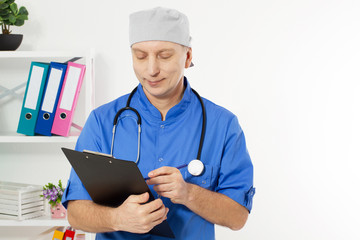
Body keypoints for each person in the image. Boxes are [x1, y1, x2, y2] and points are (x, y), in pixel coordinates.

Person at [62, 7, 255, 240]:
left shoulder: (223, 125)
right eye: (140, 56)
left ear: (188, 57)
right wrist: (118, 219)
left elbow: (238, 217)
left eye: (164, 56)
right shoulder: (102, 122)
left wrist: (188, 193)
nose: (151, 70)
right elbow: (76, 213)